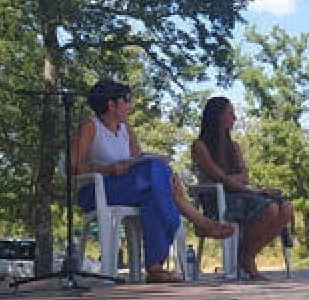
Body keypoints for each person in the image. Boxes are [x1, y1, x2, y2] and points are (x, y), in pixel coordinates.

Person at [71, 79, 232, 283]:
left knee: (155, 190)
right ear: (111, 104)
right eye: (126, 100)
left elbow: (140, 162)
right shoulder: (90, 127)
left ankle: (155, 268)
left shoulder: (126, 130)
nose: (130, 106)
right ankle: (195, 217)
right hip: (97, 190)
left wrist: (164, 174)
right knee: (156, 173)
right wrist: (107, 168)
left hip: (129, 189)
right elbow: (72, 166)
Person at [191, 96, 294, 280]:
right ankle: (247, 258)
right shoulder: (200, 146)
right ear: (218, 117)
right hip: (218, 199)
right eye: (231, 113)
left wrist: (238, 183)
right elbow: (219, 178)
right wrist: (250, 189)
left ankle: (247, 254)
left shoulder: (234, 147)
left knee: (285, 208)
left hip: (242, 194)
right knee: (270, 208)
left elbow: (244, 177)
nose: (234, 118)